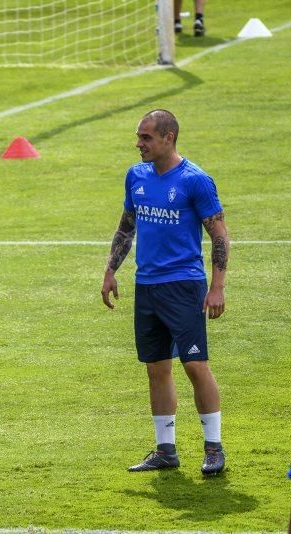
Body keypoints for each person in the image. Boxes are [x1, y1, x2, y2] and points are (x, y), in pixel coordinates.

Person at [101, 109, 229, 475]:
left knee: (194, 364)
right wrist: (110, 270)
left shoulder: (195, 180)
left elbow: (219, 236)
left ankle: (214, 448)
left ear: (168, 137)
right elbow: (127, 227)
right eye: (139, 137)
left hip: (184, 286)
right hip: (147, 287)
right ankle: (165, 450)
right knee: (156, 368)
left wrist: (217, 287)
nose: (139, 144)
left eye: (146, 138)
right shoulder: (136, 176)